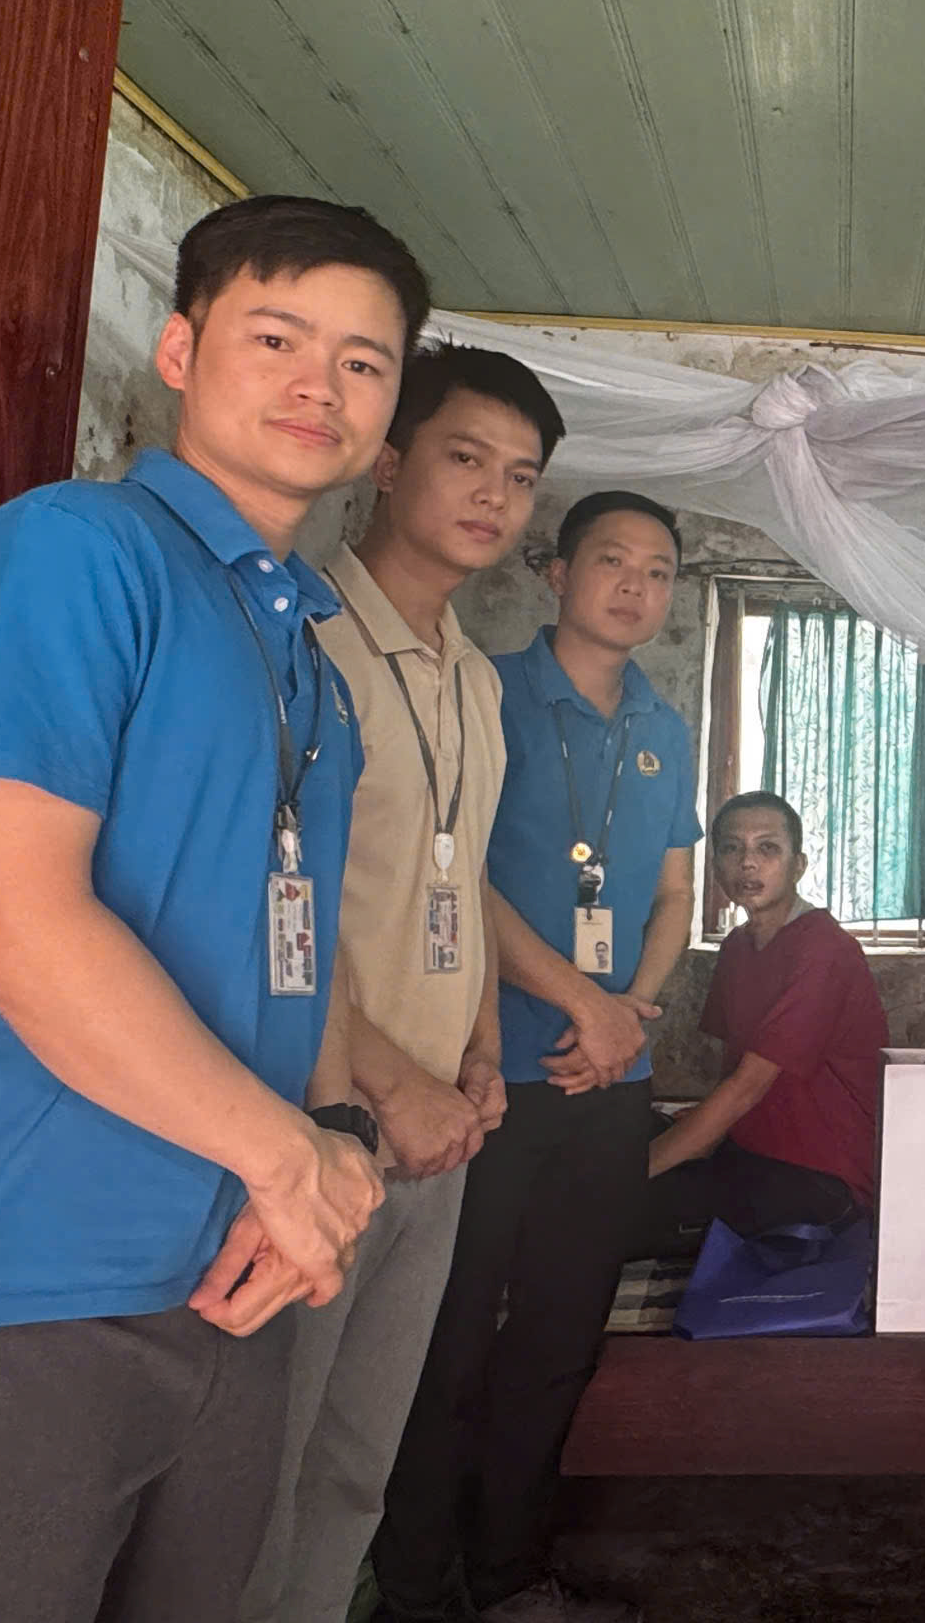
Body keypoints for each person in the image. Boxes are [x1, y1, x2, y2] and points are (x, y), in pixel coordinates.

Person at [0, 196, 421, 1622]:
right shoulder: (73, 553)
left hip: (230, 1276)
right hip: (17, 1282)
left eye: (363, 362)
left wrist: (327, 1140)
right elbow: (9, 920)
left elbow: (291, 952)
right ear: (180, 351)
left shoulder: (307, 655)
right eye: (277, 338)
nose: (319, 385)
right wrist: (285, 1158)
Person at [242, 346, 565, 1623]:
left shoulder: (475, 677)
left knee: (353, 1465)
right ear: (385, 461)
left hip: (440, 1128)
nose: (493, 495)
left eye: (521, 477)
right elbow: (263, 896)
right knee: (256, 1471)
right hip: (314, 1117)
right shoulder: (302, 637)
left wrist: (478, 1059)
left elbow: (460, 876)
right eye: (463, 457)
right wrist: (390, 1085)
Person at [374, 491, 698, 1623]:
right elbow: (455, 878)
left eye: (658, 571)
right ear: (555, 573)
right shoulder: (487, 692)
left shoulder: (664, 727)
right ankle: (417, 1585)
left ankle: (511, 1570)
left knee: (561, 1339)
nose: (634, 586)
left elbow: (673, 892)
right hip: (485, 1077)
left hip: (612, 1085)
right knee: (449, 1340)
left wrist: (632, 1011)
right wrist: (582, 1004)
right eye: (611, 560)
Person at [642, 791, 887, 1251]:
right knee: (614, 1137)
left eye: (767, 848)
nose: (748, 863)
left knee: (618, 1199)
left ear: (799, 865)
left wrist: (636, 1171)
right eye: (732, 848)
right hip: (749, 1149)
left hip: (822, 1176)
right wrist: (696, 1132)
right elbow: (731, 1067)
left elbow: (747, 1086)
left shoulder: (824, 950)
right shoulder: (737, 946)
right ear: (716, 866)